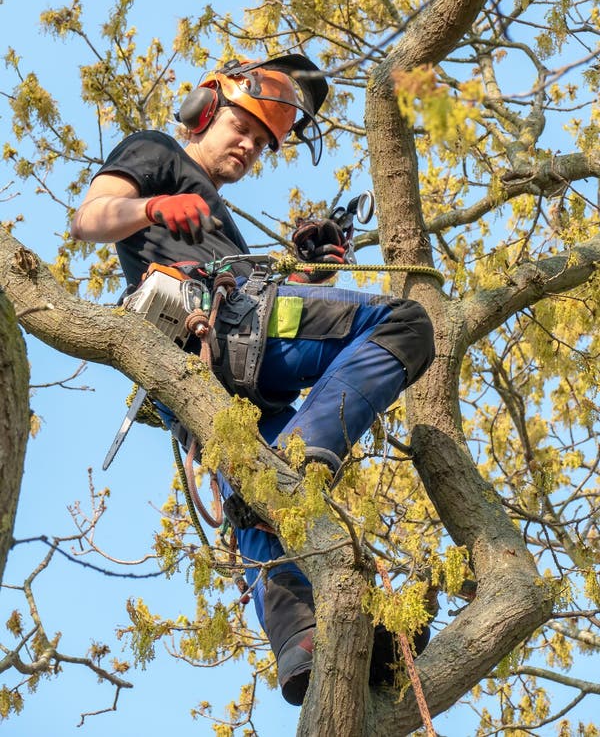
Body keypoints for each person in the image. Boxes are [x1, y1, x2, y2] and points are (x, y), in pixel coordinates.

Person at [71, 55, 435, 705]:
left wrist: (308, 266)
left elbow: (282, 304)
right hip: (225, 324)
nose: (249, 146)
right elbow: (91, 217)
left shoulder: (222, 224)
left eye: (264, 142)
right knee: (404, 325)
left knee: (270, 503)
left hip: (224, 370)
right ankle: (306, 457)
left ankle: (311, 640)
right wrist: (154, 204)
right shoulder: (156, 152)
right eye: (242, 127)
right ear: (203, 110)